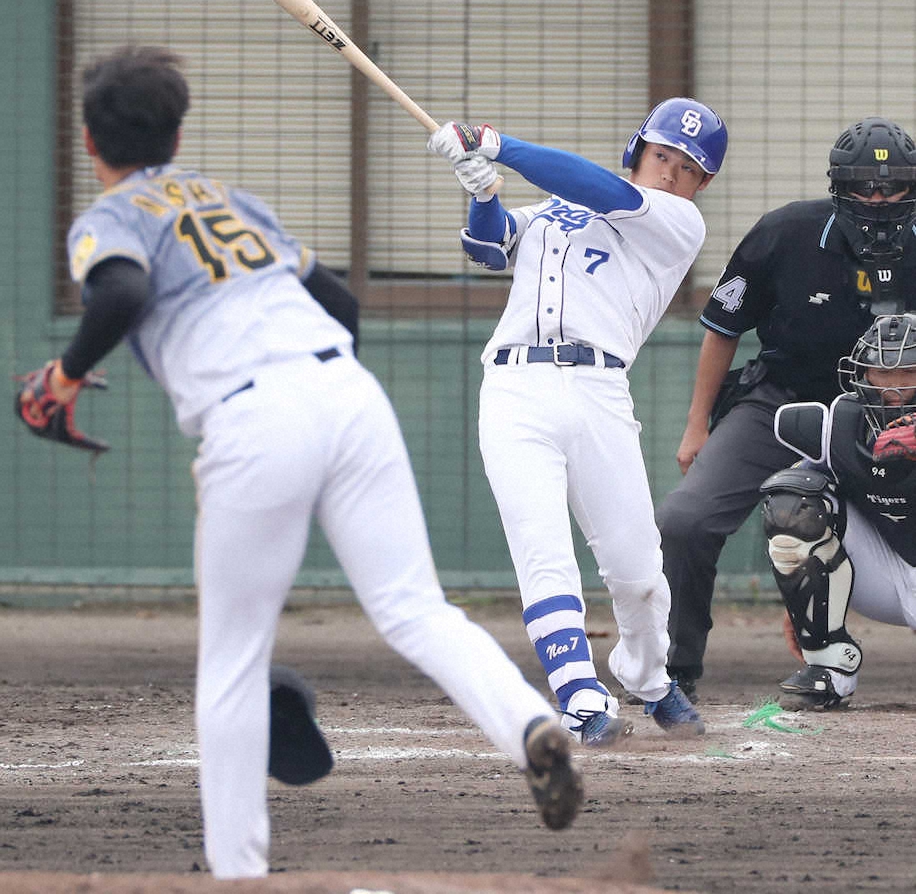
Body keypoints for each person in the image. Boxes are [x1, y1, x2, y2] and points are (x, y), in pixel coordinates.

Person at [14, 45, 584, 879]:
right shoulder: (232, 201)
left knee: (233, 660)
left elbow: (124, 291)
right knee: (416, 609)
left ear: (90, 141)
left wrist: (62, 377)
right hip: (347, 393)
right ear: (178, 133)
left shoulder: (110, 216)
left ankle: (238, 872)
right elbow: (341, 302)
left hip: (252, 413)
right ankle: (529, 724)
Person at [427, 98, 727, 744]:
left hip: (598, 389)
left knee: (638, 574)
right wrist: (482, 192)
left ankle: (648, 677)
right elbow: (488, 247)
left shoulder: (677, 223)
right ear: (638, 150)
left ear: (701, 184)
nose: (671, 172)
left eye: (688, 168)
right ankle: (579, 695)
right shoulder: (555, 208)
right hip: (514, 388)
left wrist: (495, 143)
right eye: (662, 156)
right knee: (543, 552)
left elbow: (600, 189)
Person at [655, 117, 916, 703]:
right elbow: (723, 328)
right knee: (685, 520)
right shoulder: (785, 232)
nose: (878, 199)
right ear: (838, 186)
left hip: (897, 410)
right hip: (783, 401)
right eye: (865, 186)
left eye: (893, 186)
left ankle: (825, 630)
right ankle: (673, 669)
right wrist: (697, 424)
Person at [760, 312, 916, 709]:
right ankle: (831, 666)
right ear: (862, 374)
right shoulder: (841, 424)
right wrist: (803, 600)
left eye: (909, 372)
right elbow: (798, 500)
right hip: (884, 574)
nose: (894, 387)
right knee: (792, 499)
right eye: (883, 372)